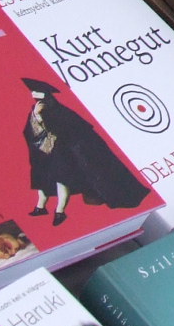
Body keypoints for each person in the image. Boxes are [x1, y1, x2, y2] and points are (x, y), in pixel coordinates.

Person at [22, 79, 145, 223]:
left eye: (37, 92)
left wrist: (42, 123)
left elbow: (68, 131)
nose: (33, 95)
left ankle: (59, 212)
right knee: (42, 180)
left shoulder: (60, 111)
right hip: (44, 153)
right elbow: (32, 132)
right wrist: (36, 116)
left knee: (62, 181)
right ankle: (41, 207)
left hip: (63, 152)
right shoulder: (35, 110)